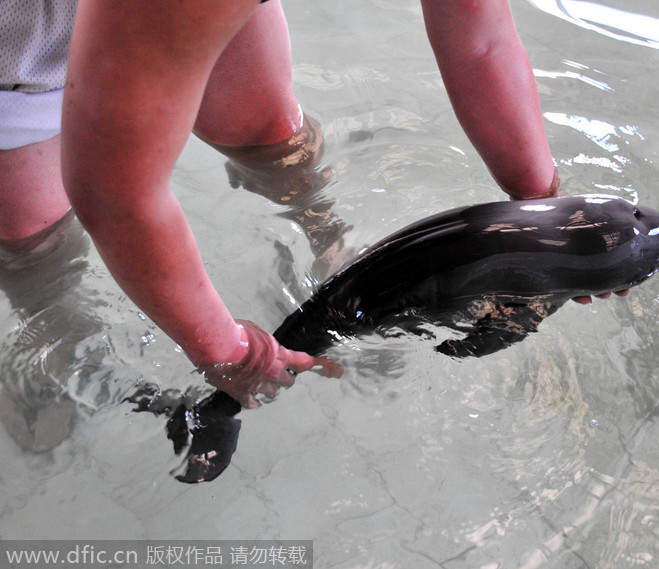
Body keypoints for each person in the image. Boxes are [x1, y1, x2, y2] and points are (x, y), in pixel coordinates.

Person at [3, 0, 610, 409]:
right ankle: (62, 352)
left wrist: (550, 221)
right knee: (33, 238)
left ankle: (326, 236)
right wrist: (222, 350)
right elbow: (115, 196)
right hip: (22, 34)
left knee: (272, 135)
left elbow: (480, 43)